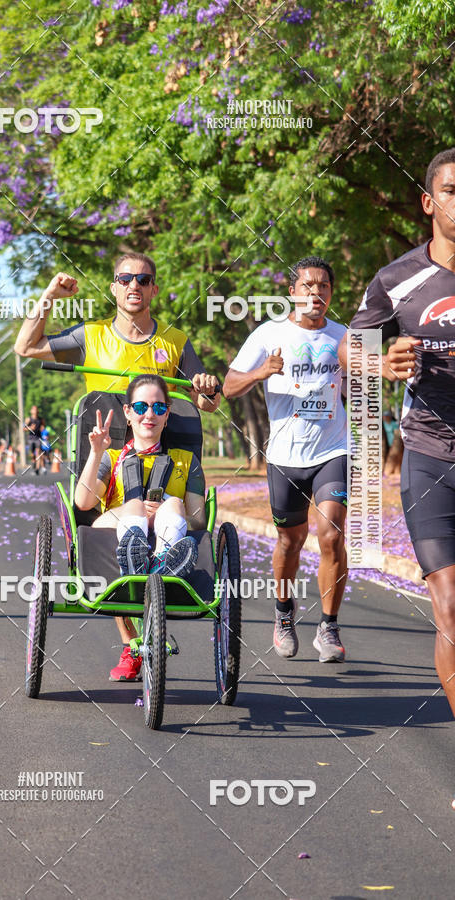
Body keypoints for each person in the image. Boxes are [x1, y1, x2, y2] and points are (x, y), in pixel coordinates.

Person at [339, 149, 455, 800]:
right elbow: (350, 350)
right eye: (452, 190)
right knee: (450, 606)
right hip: (432, 459)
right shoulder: (397, 280)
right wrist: (379, 363)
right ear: (429, 202)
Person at [223, 256, 349, 663]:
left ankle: (328, 627)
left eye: (324, 287)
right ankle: (283, 616)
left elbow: (367, 384)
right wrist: (261, 372)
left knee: (331, 535)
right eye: (308, 286)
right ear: (291, 293)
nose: (316, 293)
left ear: (331, 293)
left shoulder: (345, 336)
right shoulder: (268, 333)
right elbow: (227, 387)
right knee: (289, 541)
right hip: (285, 456)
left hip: (334, 449)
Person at [75, 374, 206, 681]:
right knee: (134, 507)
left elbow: (198, 521)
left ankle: (163, 563)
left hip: (166, 532)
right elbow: (83, 502)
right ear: (128, 412)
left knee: (174, 504)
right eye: (142, 406)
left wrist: (163, 511)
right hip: (113, 529)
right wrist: (96, 452)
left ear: (168, 412)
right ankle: (136, 557)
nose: (150, 414)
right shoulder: (109, 458)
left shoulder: (186, 461)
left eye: (159, 407)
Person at [13, 252, 221, 408]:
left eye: (143, 280)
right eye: (125, 279)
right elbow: (26, 347)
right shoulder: (89, 336)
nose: (134, 285)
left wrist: (209, 391)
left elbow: (209, 405)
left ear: (154, 290)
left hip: (158, 459)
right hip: (103, 457)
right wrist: (49, 296)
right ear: (114, 288)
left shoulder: (175, 340)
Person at [25, 405, 42, 475]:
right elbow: (24, 428)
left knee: (38, 453)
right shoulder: (28, 419)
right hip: (31, 438)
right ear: (31, 411)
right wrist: (30, 428)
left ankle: (37, 469)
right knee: (32, 454)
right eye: (33, 410)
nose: (35, 411)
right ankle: (33, 461)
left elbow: (43, 426)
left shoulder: (40, 419)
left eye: (36, 409)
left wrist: (43, 429)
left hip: (38, 438)